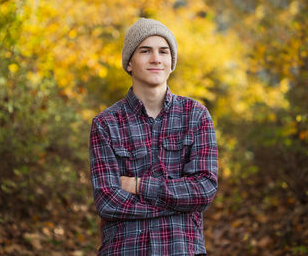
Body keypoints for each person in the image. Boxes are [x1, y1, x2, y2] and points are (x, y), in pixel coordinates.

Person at [90, 18, 218, 256]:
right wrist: (178, 205)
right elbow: (108, 202)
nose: (156, 58)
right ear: (129, 63)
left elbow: (204, 190)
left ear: (171, 63)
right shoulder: (105, 124)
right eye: (145, 51)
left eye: (163, 51)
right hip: (125, 250)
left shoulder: (196, 116)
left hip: (182, 250)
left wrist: (139, 185)